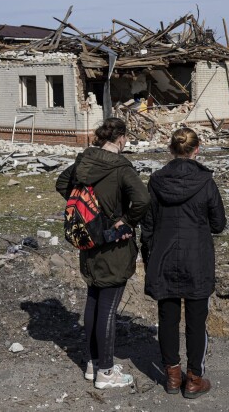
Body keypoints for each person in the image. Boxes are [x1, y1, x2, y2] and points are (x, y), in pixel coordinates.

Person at [55, 117, 149, 389]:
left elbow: (63, 184)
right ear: (120, 138)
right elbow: (143, 199)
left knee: (94, 299)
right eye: (126, 138)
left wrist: (86, 213)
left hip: (88, 242)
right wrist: (125, 221)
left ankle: (93, 363)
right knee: (108, 306)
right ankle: (106, 373)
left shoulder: (84, 161)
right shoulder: (122, 167)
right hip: (113, 244)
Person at [141, 127, 226, 399]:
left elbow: (148, 224)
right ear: (196, 149)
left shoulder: (156, 181)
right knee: (196, 321)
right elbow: (219, 223)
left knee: (167, 318)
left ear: (171, 149)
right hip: (197, 258)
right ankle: (193, 379)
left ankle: (173, 375)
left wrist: (148, 255)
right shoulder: (206, 182)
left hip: (164, 257)